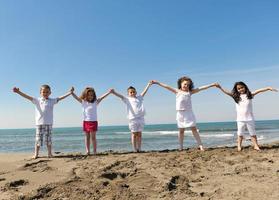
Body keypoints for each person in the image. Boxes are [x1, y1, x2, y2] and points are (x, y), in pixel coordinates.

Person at [152, 77, 218, 151]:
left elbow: (201, 88)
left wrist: (212, 85)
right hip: (180, 113)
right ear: (181, 84)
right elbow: (166, 86)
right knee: (181, 131)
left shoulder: (189, 92)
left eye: (188, 85)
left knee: (194, 129)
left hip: (189, 113)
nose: (186, 86)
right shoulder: (177, 91)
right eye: (184, 84)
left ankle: (201, 146)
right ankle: (181, 147)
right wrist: (157, 83)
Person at [13, 85, 73, 159]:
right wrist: (19, 92)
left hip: (49, 123)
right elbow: (27, 97)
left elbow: (60, 98)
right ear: (40, 92)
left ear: (50, 92)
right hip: (39, 123)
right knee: (38, 140)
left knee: (48, 140)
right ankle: (36, 154)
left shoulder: (52, 100)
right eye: (43, 92)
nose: (45, 93)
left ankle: (49, 153)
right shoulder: (37, 100)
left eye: (47, 92)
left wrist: (69, 93)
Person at [217, 82, 278, 151]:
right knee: (240, 134)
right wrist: (220, 87)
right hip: (240, 119)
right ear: (236, 90)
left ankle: (256, 145)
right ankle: (239, 146)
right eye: (238, 88)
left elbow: (259, 90)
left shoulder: (249, 95)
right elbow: (227, 92)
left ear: (245, 87)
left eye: (242, 87)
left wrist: (268, 88)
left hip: (250, 118)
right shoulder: (236, 96)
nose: (241, 89)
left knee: (253, 133)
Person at [111, 82, 152, 152]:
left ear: (136, 92)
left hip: (140, 118)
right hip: (132, 119)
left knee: (139, 134)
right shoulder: (127, 99)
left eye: (133, 92)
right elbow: (120, 96)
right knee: (134, 134)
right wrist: (114, 92)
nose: (132, 93)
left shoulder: (139, 98)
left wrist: (148, 85)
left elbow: (144, 92)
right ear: (128, 93)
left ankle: (139, 148)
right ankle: (134, 149)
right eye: (131, 92)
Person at [71, 87, 112, 155]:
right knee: (87, 137)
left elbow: (102, 97)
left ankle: (95, 151)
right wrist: (72, 92)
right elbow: (76, 98)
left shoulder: (95, 102)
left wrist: (109, 92)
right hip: (86, 122)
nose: (90, 96)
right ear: (85, 95)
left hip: (93, 122)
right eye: (89, 95)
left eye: (92, 95)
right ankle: (88, 151)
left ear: (94, 96)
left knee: (93, 137)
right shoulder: (83, 102)